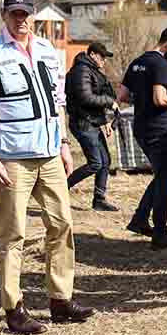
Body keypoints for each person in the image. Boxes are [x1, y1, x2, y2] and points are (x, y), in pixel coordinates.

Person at [0, 0, 95, 334]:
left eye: (25, 13)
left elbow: (58, 103)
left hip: (50, 153)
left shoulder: (47, 51)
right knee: (14, 234)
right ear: (4, 15)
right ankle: (14, 309)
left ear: (34, 15)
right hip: (12, 159)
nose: (20, 19)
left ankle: (61, 300)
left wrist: (64, 144)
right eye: (14, 14)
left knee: (62, 224)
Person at [119, 25, 167, 250]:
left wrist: (142, 101)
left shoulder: (137, 62)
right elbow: (160, 98)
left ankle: (140, 220)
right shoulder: (160, 64)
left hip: (141, 128)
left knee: (161, 176)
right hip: (159, 130)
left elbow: (122, 95)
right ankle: (160, 233)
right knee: (166, 181)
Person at [65, 41, 119, 211]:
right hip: (82, 124)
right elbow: (86, 98)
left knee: (105, 161)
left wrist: (106, 121)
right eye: (102, 57)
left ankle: (99, 200)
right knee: (95, 163)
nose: (104, 60)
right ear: (93, 55)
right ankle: (60, 190)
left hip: (91, 122)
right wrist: (109, 102)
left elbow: (95, 98)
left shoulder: (91, 70)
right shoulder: (81, 71)